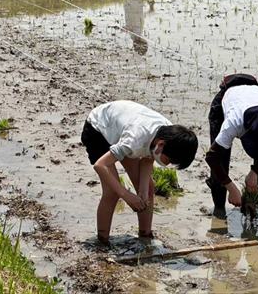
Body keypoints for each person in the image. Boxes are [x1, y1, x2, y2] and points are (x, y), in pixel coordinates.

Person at [81, 100, 198, 244]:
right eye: (169, 160)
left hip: (122, 129)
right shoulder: (135, 139)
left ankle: (145, 236)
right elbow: (101, 165)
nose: (168, 164)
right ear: (160, 145)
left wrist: (142, 188)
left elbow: (148, 158)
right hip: (98, 129)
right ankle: (102, 240)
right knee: (111, 192)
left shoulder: (169, 134)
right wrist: (126, 195)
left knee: (148, 188)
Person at [205, 74, 258, 219]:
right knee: (222, 161)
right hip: (227, 101)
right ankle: (219, 209)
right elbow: (212, 157)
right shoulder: (233, 123)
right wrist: (231, 187)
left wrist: (254, 172)